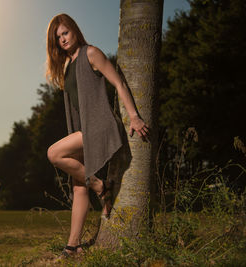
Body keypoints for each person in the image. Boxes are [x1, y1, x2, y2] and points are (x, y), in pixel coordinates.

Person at [45, 13, 150, 258]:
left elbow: (119, 83)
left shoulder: (91, 53)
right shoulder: (67, 65)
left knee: (54, 153)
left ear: (75, 30)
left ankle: (100, 185)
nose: (62, 39)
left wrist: (134, 116)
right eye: (57, 37)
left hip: (98, 125)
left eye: (65, 33)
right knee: (78, 188)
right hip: (83, 129)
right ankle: (74, 246)